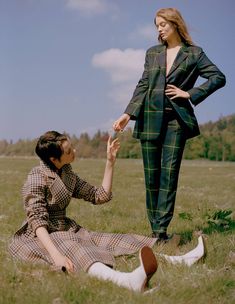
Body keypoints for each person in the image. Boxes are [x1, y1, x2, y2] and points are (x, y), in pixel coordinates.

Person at [113, 8, 226, 241]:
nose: (159, 29)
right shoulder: (152, 53)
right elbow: (143, 84)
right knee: (151, 177)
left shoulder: (194, 53)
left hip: (176, 121)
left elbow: (218, 77)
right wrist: (128, 114)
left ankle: (160, 231)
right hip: (148, 120)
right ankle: (155, 230)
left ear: (175, 24)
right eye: (157, 25)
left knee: (169, 176)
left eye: (163, 24)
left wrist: (190, 93)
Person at [9, 130, 158, 292]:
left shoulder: (67, 173)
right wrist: (56, 255)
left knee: (104, 239)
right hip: (42, 234)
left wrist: (110, 162)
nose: (74, 151)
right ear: (53, 159)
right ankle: (126, 281)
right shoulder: (37, 177)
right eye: (68, 151)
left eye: (72, 147)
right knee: (77, 248)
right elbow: (37, 220)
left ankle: (175, 259)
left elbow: (98, 196)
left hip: (65, 227)